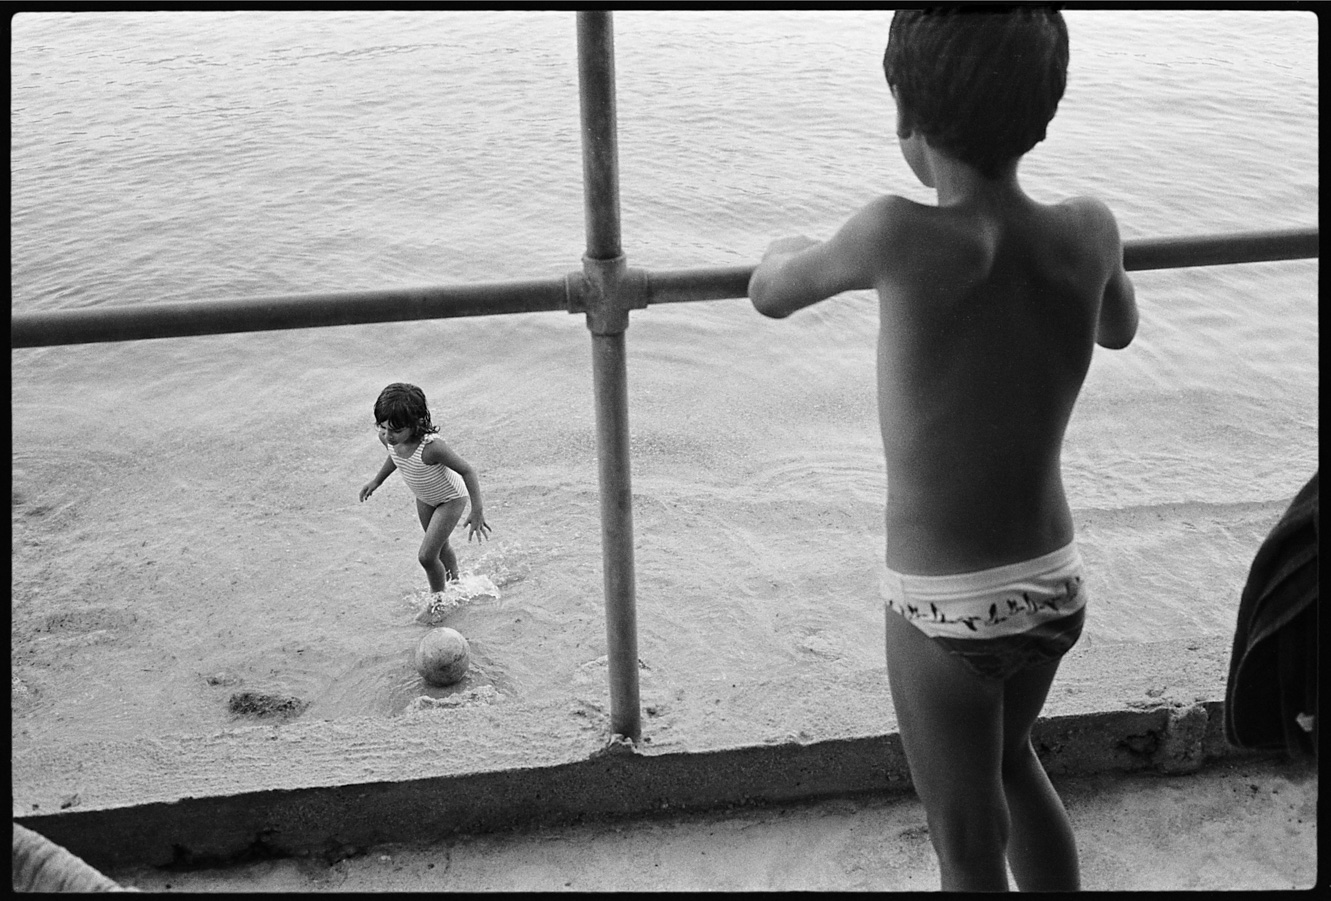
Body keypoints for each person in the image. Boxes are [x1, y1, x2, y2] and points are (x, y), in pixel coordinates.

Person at [749, 8, 1137, 892]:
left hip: (944, 604)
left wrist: (782, 244)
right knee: (1014, 760)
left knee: (963, 843)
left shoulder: (892, 233)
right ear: (1042, 113)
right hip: (1053, 581)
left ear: (904, 115)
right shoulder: (1090, 228)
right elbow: (1116, 327)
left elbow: (772, 291)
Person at [360, 382, 491, 593]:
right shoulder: (389, 439)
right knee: (441, 548)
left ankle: (437, 599)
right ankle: (456, 584)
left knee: (427, 557)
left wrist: (477, 510)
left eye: (396, 430)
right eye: (383, 427)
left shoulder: (431, 448)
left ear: (417, 423)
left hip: (450, 499)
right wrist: (377, 481)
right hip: (424, 497)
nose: (388, 435)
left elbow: (467, 471)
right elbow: (396, 457)